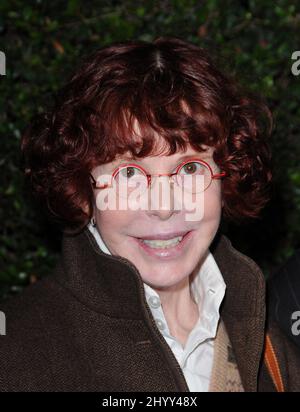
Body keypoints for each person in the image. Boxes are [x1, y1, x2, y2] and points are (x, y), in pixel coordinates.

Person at [0, 36, 299, 392]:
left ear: (226, 179)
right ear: (82, 191)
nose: (163, 205)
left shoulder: (266, 343)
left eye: (189, 169)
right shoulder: (16, 354)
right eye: (128, 173)